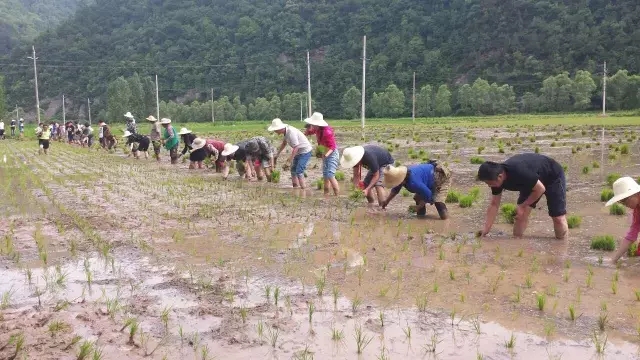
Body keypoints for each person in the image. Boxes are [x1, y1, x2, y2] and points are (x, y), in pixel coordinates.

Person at [476, 153, 568, 240]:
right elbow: (494, 204)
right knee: (520, 215)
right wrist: (486, 230)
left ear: (500, 176)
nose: (489, 186)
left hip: (552, 176)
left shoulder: (519, 171)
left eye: (489, 183)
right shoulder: (496, 181)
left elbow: (540, 189)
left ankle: (563, 246)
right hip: (531, 182)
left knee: (558, 218)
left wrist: (522, 205)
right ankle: (517, 242)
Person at [380, 161, 452, 219]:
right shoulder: (401, 178)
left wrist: (418, 207)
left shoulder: (413, 183)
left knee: (439, 205)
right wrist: (386, 202)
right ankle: (421, 218)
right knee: (418, 198)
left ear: (401, 179)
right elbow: (395, 190)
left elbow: (429, 195)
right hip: (428, 178)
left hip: (441, 176)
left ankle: (446, 221)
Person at [269, 118, 313, 188]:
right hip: (298, 152)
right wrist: (277, 154)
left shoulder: (291, 132)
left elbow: (296, 147)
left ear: (279, 128)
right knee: (293, 170)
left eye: (275, 130)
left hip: (305, 151)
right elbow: (284, 143)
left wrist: (290, 160)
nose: (274, 131)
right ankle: (295, 187)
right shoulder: (285, 132)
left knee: (299, 171)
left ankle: (303, 189)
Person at [304, 112, 340, 196]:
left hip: (332, 154)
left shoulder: (327, 132)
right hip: (324, 153)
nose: (312, 125)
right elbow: (309, 132)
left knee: (330, 175)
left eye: (313, 123)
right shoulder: (317, 128)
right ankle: (326, 195)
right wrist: (307, 129)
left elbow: (332, 147)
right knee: (325, 175)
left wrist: (326, 155)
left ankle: (337, 196)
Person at [607, 177, 640, 263]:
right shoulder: (637, 210)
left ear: (635, 193)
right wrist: (614, 260)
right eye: (621, 201)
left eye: (625, 200)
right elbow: (631, 236)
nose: (624, 204)